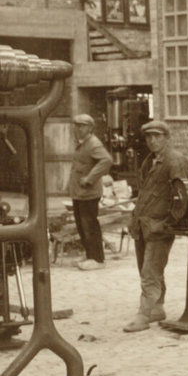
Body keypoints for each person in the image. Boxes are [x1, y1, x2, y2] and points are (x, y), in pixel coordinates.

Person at [124, 120, 188, 332]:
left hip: (158, 227)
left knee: (150, 271)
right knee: (148, 267)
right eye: (149, 137)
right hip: (143, 224)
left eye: (157, 136)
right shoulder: (150, 161)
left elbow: (182, 197)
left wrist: (167, 224)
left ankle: (143, 315)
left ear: (166, 137)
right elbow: (144, 191)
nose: (152, 141)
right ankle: (158, 308)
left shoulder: (174, 161)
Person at [69, 113, 113, 270]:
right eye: (76, 126)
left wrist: (90, 178)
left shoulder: (94, 144)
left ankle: (97, 259)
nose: (78, 129)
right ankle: (89, 255)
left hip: (89, 193)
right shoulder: (82, 143)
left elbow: (107, 160)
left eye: (81, 126)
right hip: (79, 193)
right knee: (82, 225)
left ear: (90, 128)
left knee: (90, 226)